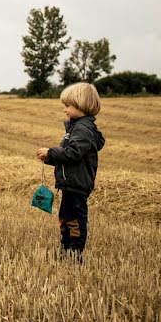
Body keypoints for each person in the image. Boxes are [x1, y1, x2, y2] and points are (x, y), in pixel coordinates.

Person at [37, 83, 105, 259]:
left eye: (68, 106)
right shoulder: (76, 128)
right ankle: (65, 248)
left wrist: (51, 152)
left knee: (75, 219)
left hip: (77, 183)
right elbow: (69, 158)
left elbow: (73, 153)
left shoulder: (83, 130)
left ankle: (75, 253)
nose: (65, 110)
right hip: (70, 182)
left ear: (81, 105)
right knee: (65, 217)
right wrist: (51, 159)